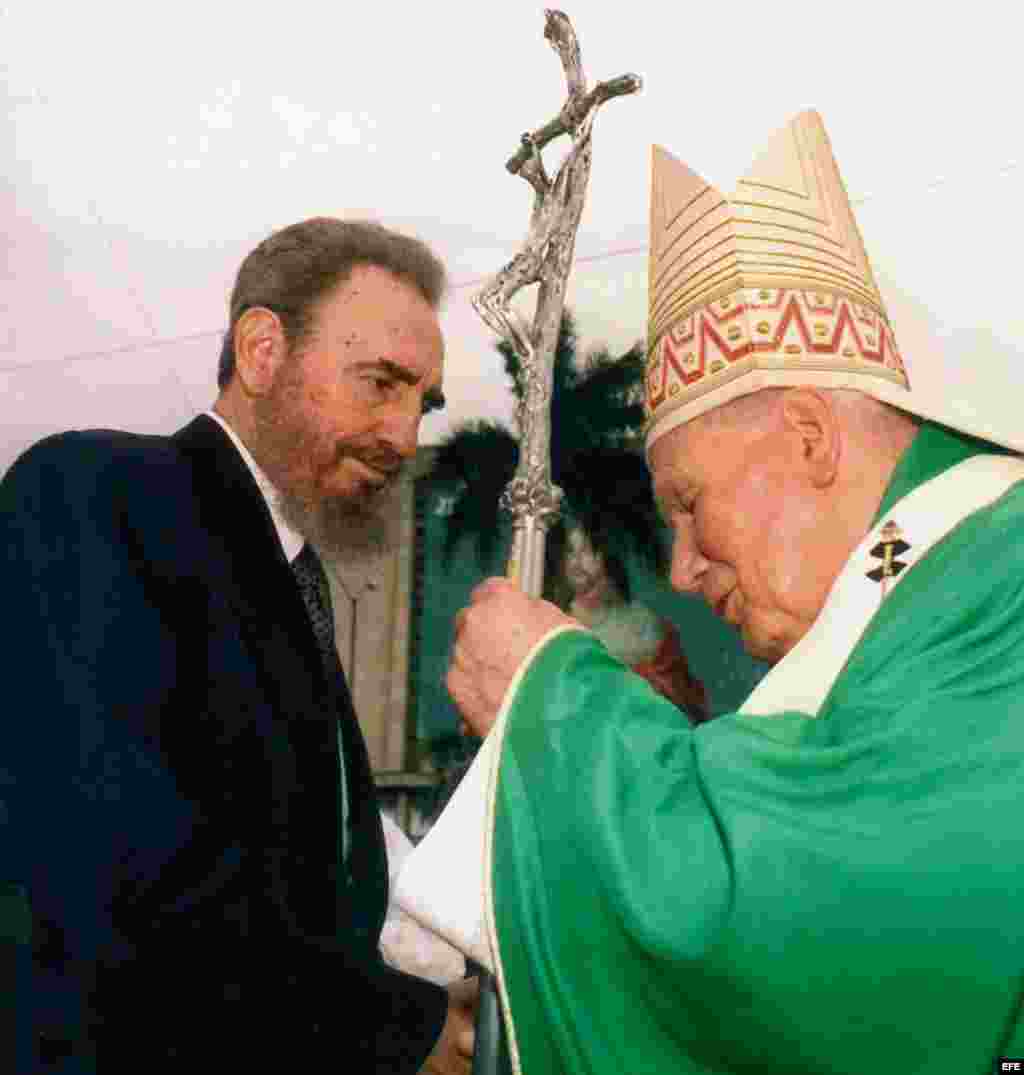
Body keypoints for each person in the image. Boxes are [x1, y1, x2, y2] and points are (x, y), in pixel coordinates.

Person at [436, 112, 1024, 1074]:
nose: (679, 568)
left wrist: (547, 694)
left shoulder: (997, 584)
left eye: (687, 502)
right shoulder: (935, 593)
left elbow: (803, 906)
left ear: (808, 437)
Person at [1, 217, 476, 1073]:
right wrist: (399, 1028)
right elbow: (125, 862)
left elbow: (316, 889)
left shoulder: (296, 581)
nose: (405, 436)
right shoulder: (97, 497)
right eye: (380, 383)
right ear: (262, 350)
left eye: (422, 402)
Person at [561, 525, 709, 722]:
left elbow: (683, 700)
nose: (577, 563)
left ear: (606, 555)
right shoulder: (558, 624)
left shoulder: (645, 623)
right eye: (571, 553)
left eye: (587, 551)